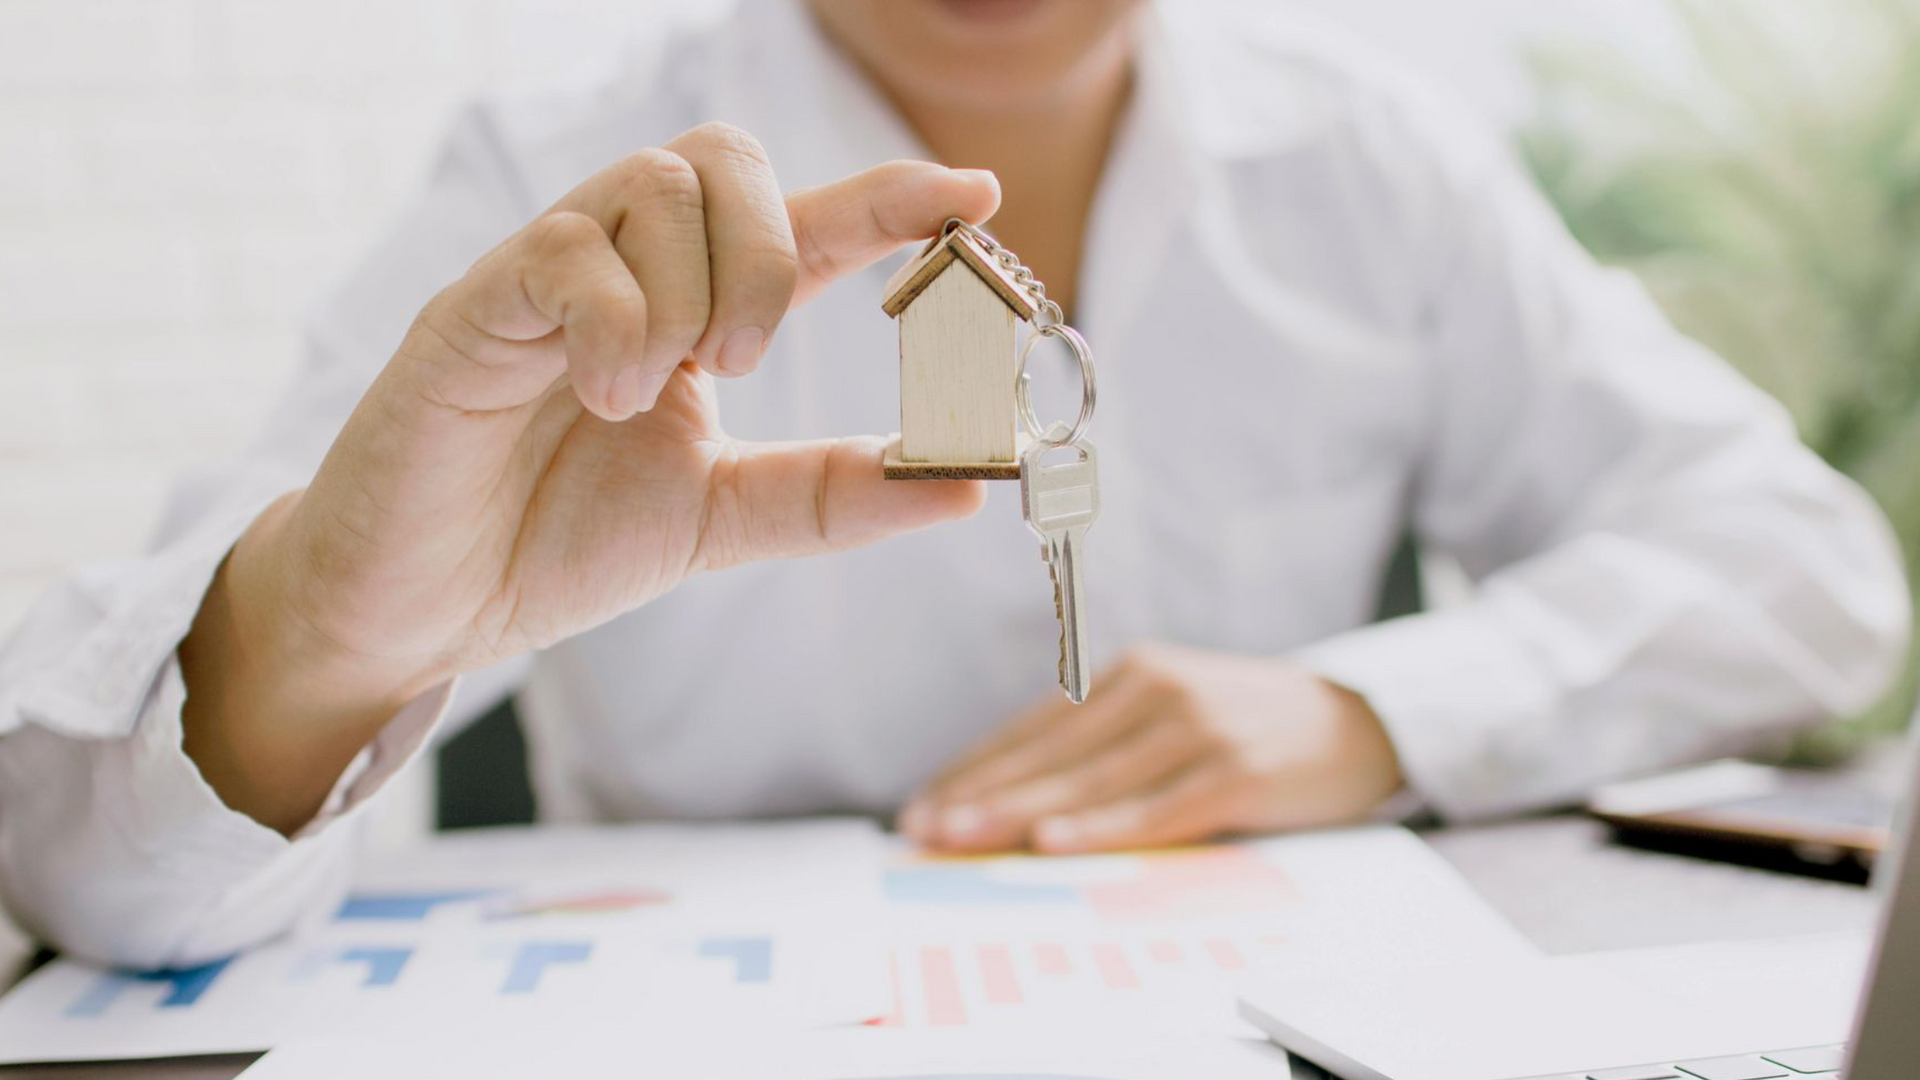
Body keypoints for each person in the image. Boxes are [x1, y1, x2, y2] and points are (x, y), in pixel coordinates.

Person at [0, 0, 1907, 970]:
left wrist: (1372, 711)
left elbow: (1810, 569)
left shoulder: (1377, 162)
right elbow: (76, 858)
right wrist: (329, 636)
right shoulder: (549, 170)